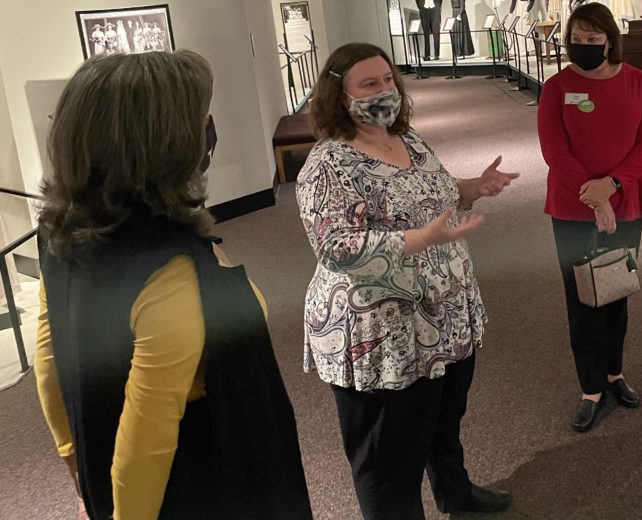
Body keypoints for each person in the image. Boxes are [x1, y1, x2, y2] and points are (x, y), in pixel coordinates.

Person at [34, 51, 312, 520]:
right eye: (200, 116)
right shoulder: (172, 272)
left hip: (105, 461)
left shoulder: (58, 234)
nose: (209, 126)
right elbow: (147, 442)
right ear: (166, 143)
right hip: (213, 482)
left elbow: (49, 363)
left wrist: (78, 466)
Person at [296, 43, 518, 520]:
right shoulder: (327, 165)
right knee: (387, 459)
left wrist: (471, 188)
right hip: (381, 335)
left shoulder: (407, 138)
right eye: (369, 84)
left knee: (442, 422)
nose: (384, 91)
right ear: (339, 96)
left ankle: (456, 495)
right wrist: (421, 238)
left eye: (388, 80)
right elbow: (336, 247)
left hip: (443, 321)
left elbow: (431, 192)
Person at [537, 2, 642, 433]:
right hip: (572, 208)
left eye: (593, 39)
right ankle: (591, 388)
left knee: (615, 291)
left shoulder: (637, 81)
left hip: (624, 202)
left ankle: (614, 374)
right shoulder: (556, 88)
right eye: (577, 38)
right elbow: (555, 152)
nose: (584, 46)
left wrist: (614, 185)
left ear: (610, 41)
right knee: (582, 298)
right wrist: (595, 197)